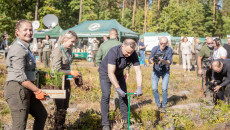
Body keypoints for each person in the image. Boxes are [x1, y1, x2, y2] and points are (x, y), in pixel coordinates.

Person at [4, 19, 47, 130]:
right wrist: (37, 90)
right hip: (17, 89)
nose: (29, 32)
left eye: (31, 30)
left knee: (41, 114)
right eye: (25, 30)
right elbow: (20, 77)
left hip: (27, 87)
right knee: (19, 126)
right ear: (17, 32)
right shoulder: (18, 48)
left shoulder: (25, 47)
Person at [99, 39, 143, 130]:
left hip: (119, 73)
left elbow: (138, 71)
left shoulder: (132, 53)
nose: (129, 55)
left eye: (131, 52)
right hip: (105, 73)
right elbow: (110, 73)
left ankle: (125, 120)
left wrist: (139, 87)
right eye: (127, 52)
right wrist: (117, 88)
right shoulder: (113, 51)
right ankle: (105, 124)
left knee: (123, 95)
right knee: (106, 95)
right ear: (123, 46)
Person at [51, 30, 80, 130]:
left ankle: (61, 125)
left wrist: (74, 75)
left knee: (65, 105)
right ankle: (57, 126)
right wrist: (70, 72)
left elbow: (68, 66)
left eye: (74, 42)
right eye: (72, 41)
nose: (73, 44)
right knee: (60, 107)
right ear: (65, 39)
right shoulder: (58, 50)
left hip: (66, 81)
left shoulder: (69, 50)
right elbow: (56, 70)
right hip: (57, 82)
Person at [96, 28, 123, 111]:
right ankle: (117, 109)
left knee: (105, 94)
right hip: (117, 72)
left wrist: (101, 69)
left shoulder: (103, 45)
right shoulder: (120, 44)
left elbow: (97, 59)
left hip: (105, 72)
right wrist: (127, 70)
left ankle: (105, 115)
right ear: (116, 35)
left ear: (109, 35)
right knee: (118, 91)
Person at [149, 37, 173, 112]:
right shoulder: (154, 49)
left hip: (165, 70)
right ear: (159, 42)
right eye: (161, 43)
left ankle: (164, 105)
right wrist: (152, 60)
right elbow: (149, 59)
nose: (163, 45)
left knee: (164, 88)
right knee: (154, 88)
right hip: (156, 70)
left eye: (164, 43)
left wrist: (162, 61)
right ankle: (158, 104)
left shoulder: (169, 50)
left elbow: (169, 62)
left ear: (167, 43)